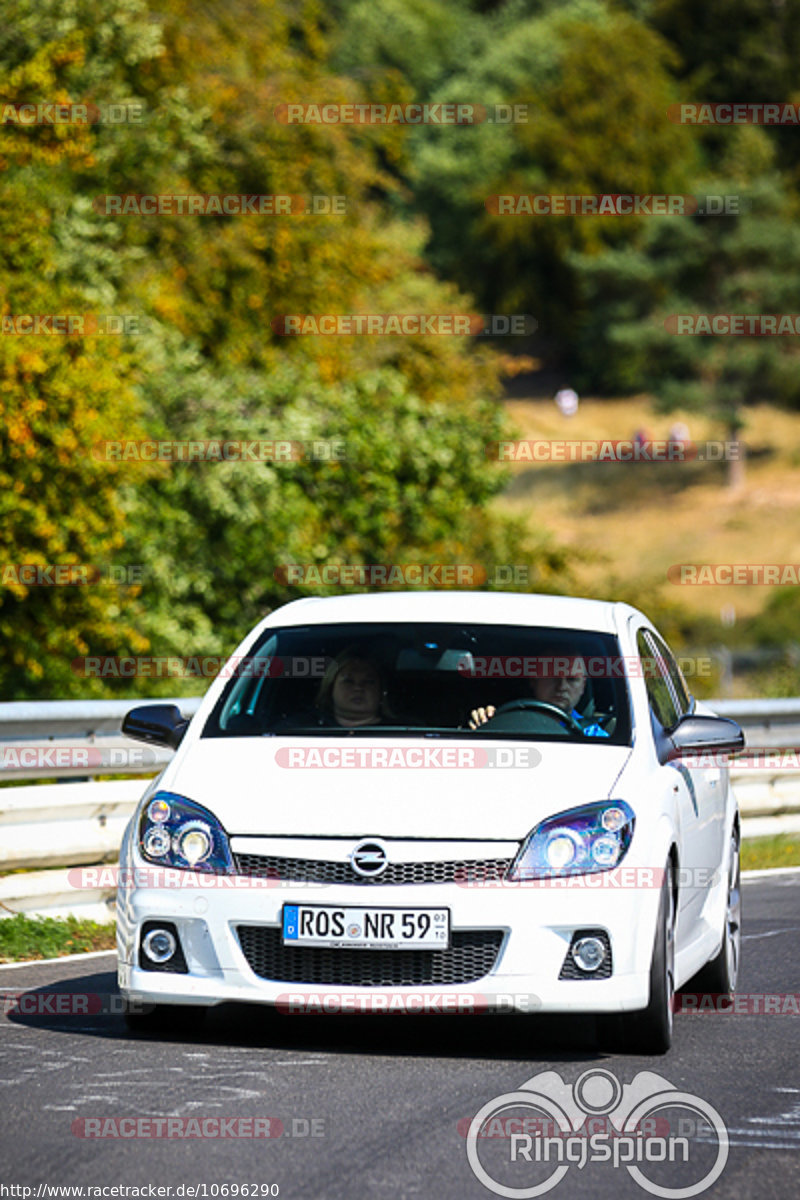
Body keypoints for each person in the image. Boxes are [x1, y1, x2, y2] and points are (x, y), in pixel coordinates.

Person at [468, 654, 610, 736]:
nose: (562, 686)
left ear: (583, 687)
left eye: (572, 679)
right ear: (534, 680)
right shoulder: (504, 720)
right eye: (552, 677)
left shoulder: (595, 735)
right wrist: (484, 726)